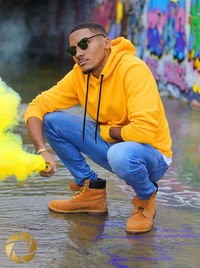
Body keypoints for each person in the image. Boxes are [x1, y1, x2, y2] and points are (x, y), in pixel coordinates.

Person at [24, 22, 172, 234]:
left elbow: (145, 131)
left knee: (121, 154)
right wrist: (42, 150)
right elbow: (36, 106)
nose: (78, 53)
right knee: (51, 121)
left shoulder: (133, 69)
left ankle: (146, 197)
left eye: (84, 44)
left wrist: (106, 132)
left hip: (152, 156)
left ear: (106, 43)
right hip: (114, 147)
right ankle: (91, 191)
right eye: (73, 50)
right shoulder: (79, 75)